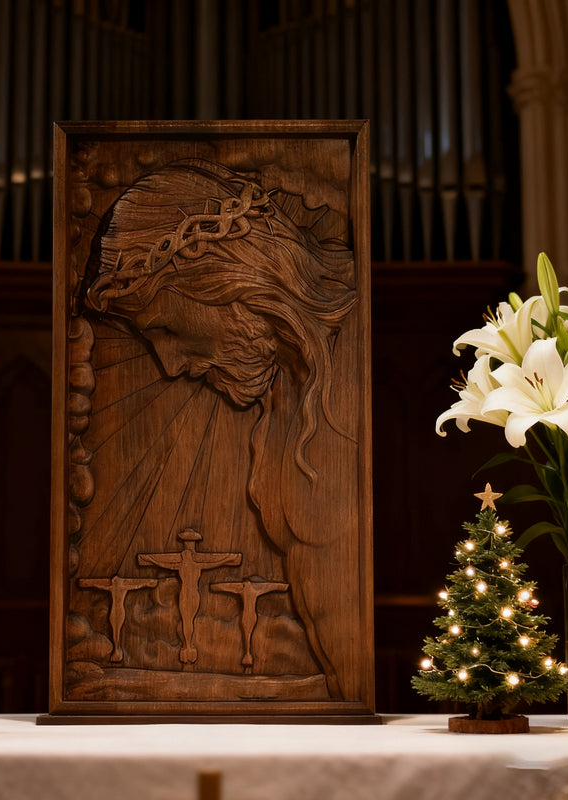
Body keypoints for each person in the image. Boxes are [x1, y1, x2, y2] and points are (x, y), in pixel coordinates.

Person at [84, 158, 364, 701]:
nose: (168, 364)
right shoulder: (283, 406)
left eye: (165, 328)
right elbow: (332, 675)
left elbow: (350, 663)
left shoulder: (354, 365)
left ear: (229, 280)